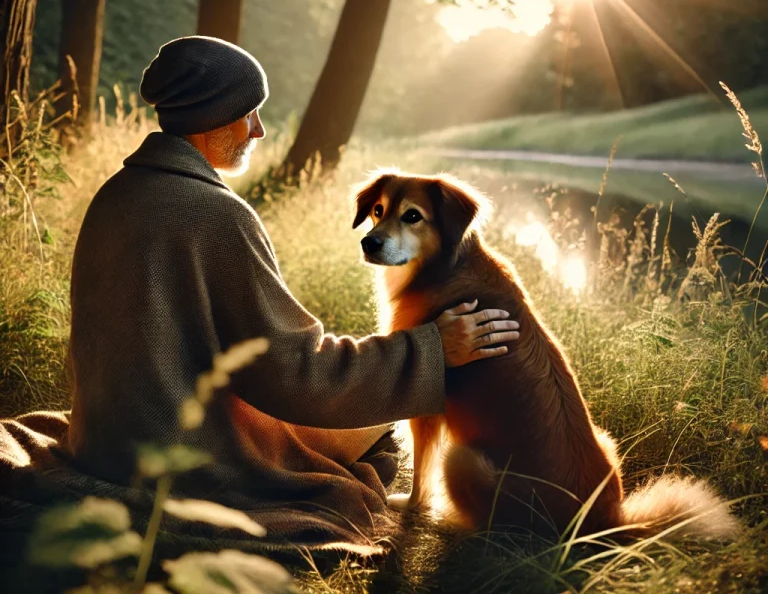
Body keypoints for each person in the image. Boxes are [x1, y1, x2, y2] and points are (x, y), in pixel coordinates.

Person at [65, 36, 519, 544]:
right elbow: (291, 372)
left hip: (103, 441)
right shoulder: (218, 215)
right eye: (248, 112)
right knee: (375, 438)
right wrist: (431, 350)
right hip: (180, 456)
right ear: (214, 114)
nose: (258, 129)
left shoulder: (114, 194)